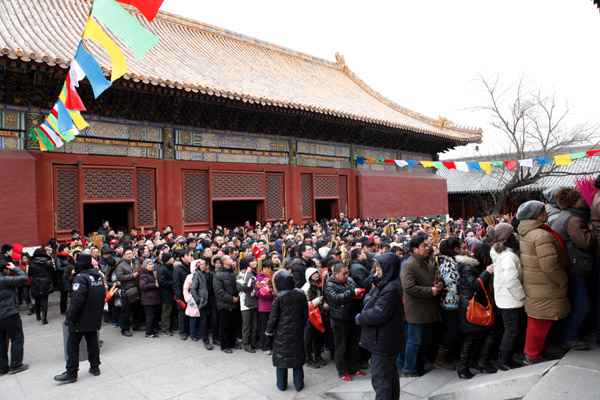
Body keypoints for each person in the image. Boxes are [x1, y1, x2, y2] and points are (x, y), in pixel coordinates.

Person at [517, 200, 570, 365]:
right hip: (545, 284)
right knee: (540, 322)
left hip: (537, 283)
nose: (547, 213)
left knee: (538, 320)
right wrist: (563, 280)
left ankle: (538, 352)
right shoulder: (541, 235)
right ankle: (532, 355)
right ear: (538, 215)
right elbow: (550, 265)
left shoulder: (530, 233)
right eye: (544, 211)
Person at [552, 187, 597, 350]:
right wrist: (592, 232)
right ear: (572, 201)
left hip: (572, 265)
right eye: (579, 198)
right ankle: (569, 336)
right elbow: (585, 242)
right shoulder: (574, 220)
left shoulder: (565, 216)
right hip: (576, 266)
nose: (583, 199)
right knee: (581, 305)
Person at [357, 253, 403, 400]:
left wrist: (360, 318)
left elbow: (378, 314)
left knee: (381, 379)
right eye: (376, 267)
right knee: (388, 377)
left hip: (383, 340)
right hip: (385, 339)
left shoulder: (391, 288)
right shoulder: (384, 283)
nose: (377, 270)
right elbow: (369, 298)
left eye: (379, 267)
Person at [54, 254, 105, 383]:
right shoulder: (97, 276)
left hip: (81, 317)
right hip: (94, 315)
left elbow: (77, 300)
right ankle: (95, 367)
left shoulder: (81, 278)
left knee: (72, 343)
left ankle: (71, 371)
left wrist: (70, 317)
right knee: (92, 340)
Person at [399, 235, 441, 377]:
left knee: (425, 342)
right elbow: (408, 287)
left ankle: (419, 366)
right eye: (424, 246)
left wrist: (437, 284)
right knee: (414, 342)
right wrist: (430, 291)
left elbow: (430, 280)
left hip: (428, 308)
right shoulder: (408, 265)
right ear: (415, 249)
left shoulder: (427, 262)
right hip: (416, 310)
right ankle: (409, 369)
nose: (427, 248)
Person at [455, 243, 496, 379]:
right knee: (471, 338)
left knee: (481, 335)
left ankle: (473, 363)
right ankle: (463, 366)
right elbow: (474, 285)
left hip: (475, 304)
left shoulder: (475, 265)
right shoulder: (468, 267)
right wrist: (487, 272)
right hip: (470, 307)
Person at [266, 269, 308, 392]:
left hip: (281, 332)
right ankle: (299, 384)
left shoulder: (279, 296)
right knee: (297, 358)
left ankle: (281, 385)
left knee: (281, 359)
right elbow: (305, 313)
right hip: (297, 330)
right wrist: (302, 325)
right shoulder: (301, 293)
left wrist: (269, 331)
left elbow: (273, 317)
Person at [490, 223, 525, 370]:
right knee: (511, 331)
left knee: (511, 330)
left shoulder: (501, 254)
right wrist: (522, 295)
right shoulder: (509, 256)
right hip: (510, 298)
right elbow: (511, 280)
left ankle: (507, 358)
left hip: (504, 297)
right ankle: (503, 360)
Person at [325, 262, 365, 381]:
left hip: (352, 317)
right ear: (336, 274)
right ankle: (342, 371)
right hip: (339, 319)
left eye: (347, 272)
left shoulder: (350, 280)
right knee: (341, 347)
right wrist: (352, 294)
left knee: (353, 345)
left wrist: (358, 295)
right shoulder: (329, 285)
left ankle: (353, 367)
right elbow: (336, 299)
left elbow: (354, 290)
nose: (347, 275)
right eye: (344, 273)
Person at [0, 259, 29, 375]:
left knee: (1, 341)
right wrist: (15, 268)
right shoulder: (5, 279)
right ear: (5, 269)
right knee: (16, 338)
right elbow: (24, 278)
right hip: (9, 313)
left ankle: (2, 367)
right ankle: (16, 364)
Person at [213, 255, 240, 353]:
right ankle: (225, 345)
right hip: (225, 304)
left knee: (233, 324)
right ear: (224, 262)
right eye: (229, 259)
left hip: (235, 302)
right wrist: (231, 299)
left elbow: (237, 286)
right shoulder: (218, 275)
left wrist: (237, 296)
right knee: (224, 325)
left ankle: (233, 342)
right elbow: (219, 291)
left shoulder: (233, 272)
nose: (231, 260)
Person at [302, 266, 326, 368]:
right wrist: (317, 301)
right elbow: (303, 304)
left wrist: (325, 305)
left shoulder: (320, 285)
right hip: (309, 316)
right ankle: (308, 359)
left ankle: (318, 356)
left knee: (318, 337)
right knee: (308, 338)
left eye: (317, 273)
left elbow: (323, 299)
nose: (316, 275)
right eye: (314, 273)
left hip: (318, 315)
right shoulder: (305, 288)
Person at [237, 257, 259, 352]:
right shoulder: (239, 277)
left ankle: (253, 342)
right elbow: (246, 285)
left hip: (254, 302)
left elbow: (256, 285)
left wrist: (254, 291)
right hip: (245, 304)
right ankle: (246, 344)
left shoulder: (252, 275)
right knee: (246, 325)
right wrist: (248, 274)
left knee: (255, 325)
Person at [29, 248, 56, 325]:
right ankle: (44, 318)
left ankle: (38, 316)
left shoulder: (32, 262)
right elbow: (52, 272)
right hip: (46, 281)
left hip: (36, 281)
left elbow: (30, 273)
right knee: (44, 299)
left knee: (37, 299)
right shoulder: (48, 261)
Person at [256, 259, 274, 355]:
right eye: (266, 268)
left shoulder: (274, 277)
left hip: (273, 306)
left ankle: (272, 345)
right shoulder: (259, 278)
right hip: (263, 306)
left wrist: (272, 292)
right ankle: (265, 346)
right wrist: (268, 293)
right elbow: (258, 293)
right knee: (264, 327)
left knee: (273, 326)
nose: (268, 270)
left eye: (269, 268)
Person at [138, 259, 161, 338]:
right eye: (149, 264)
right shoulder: (143, 275)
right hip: (148, 299)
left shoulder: (152, 273)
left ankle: (152, 330)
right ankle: (148, 332)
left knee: (153, 315)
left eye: (152, 264)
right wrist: (154, 285)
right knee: (149, 316)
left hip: (154, 298)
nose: (152, 266)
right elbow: (143, 286)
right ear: (145, 266)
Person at [157, 252, 176, 336]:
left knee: (172, 311)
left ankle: (172, 327)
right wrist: (173, 283)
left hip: (172, 292)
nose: (172, 259)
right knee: (166, 312)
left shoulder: (171, 267)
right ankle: (165, 329)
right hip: (166, 293)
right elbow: (162, 282)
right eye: (170, 258)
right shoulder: (162, 269)